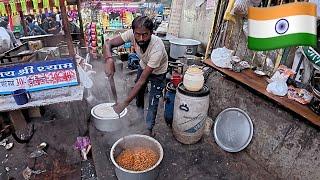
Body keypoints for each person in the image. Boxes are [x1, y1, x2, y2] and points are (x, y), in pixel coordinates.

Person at [104, 16, 168, 136]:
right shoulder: (131, 34)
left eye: (145, 34)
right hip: (144, 65)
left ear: (151, 33)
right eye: (138, 34)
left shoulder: (157, 48)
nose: (141, 38)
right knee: (139, 94)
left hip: (158, 72)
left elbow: (142, 81)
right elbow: (109, 44)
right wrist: (109, 60)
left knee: (153, 100)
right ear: (133, 32)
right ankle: (139, 119)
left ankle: (148, 128)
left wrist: (125, 103)